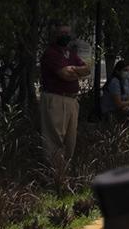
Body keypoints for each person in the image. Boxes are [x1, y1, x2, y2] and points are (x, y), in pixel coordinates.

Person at [39, 22, 92, 174]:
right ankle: (55, 175)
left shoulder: (70, 53)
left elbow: (87, 68)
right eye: (62, 33)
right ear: (55, 35)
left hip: (72, 100)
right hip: (56, 99)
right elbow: (65, 75)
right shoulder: (51, 53)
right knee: (55, 139)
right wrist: (77, 71)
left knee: (70, 140)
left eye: (67, 33)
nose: (65, 36)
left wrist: (74, 69)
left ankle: (66, 173)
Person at [100, 58, 129, 123]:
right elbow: (118, 104)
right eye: (125, 70)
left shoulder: (126, 81)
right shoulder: (114, 82)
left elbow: (128, 100)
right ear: (118, 71)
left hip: (121, 108)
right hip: (110, 112)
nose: (128, 72)